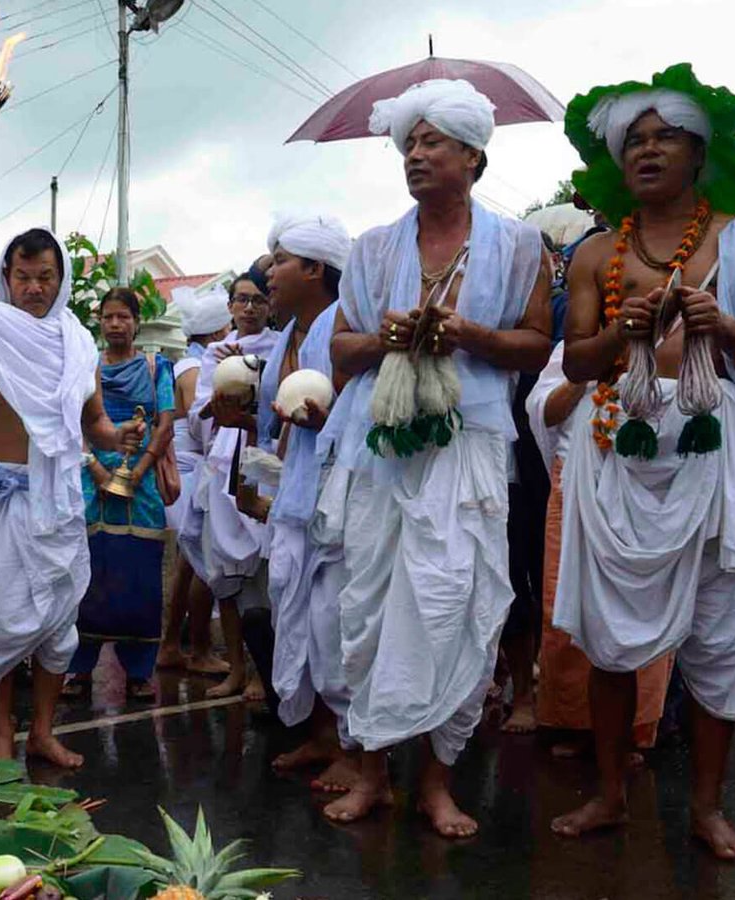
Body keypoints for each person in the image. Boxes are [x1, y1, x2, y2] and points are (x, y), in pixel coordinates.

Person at [550, 64, 735, 861]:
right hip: (617, 442)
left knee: (727, 633)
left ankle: (707, 808)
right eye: (635, 141)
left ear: (701, 153)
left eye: (667, 139)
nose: (648, 151)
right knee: (609, 637)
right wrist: (623, 331)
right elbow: (579, 365)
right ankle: (611, 794)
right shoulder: (596, 253)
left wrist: (718, 323)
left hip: (712, 444)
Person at [319, 79, 552, 837]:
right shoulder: (372, 248)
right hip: (380, 448)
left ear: (473, 155)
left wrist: (468, 336)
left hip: (469, 444)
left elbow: (535, 345)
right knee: (373, 608)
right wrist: (389, 337)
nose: (415, 155)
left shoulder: (519, 245)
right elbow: (341, 350)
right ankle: (374, 774)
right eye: (409, 143)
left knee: (456, 607)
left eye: (432, 142)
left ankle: (438, 784)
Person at [0, 228, 143, 765]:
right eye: (23, 277)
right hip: (8, 500)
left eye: (45, 278)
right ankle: (1, 736)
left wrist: (117, 438)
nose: (34, 288)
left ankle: (41, 732)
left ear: (60, 281)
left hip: (60, 499)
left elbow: (95, 422)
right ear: (7, 278)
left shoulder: (78, 344)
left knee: (60, 628)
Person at [242, 214, 359, 792]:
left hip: (336, 494)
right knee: (297, 615)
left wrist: (323, 418)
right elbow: (282, 422)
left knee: (333, 620)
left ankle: (350, 745)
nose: (269, 273)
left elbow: (357, 412)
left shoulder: (341, 322)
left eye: (280, 260)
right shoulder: (289, 334)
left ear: (315, 269)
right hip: (295, 493)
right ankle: (317, 733)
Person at [528, 343, 673, 760]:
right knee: (566, 602)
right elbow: (543, 412)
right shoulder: (577, 347)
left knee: (640, 608)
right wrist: (587, 374)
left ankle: (632, 729)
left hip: (642, 485)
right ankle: (571, 724)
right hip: (576, 478)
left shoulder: (666, 340)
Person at [68, 287, 175, 701]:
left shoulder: (155, 367)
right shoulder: (86, 366)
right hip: (90, 478)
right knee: (89, 572)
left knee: (140, 575)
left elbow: (164, 425)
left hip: (141, 484)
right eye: (108, 317)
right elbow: (75, 420)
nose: (115, 324)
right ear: (99, 322)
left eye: (123, 317)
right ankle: (78, 669)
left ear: (137, 322)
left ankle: (138, 671)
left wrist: (138, 472)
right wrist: (94, 467)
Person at [192, 276, 280, 701]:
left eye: (258, 300)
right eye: (242, 300)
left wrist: (253, 373)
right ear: (229, 306)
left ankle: (266, 672)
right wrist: (227, 381)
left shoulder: (280, 348)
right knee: (225, 575)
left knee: (265, 572)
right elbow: (199, 415)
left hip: (260, 461)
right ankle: (237, 668)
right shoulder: (213, 353)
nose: (249, 308)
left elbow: (279, 408)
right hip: (223, 460)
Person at [155, 285, 232, 676]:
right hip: (194, 474)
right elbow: (206, 430)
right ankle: (198, 647)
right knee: (202, 566)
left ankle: (172, 644)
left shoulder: (183, 365)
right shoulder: (197, 370)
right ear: (219, 332)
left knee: (188, 567)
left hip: (188, 473)